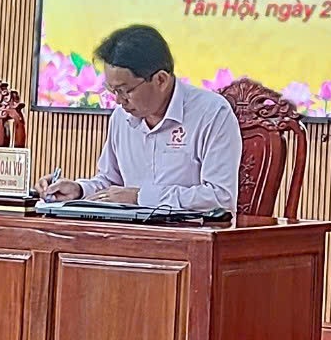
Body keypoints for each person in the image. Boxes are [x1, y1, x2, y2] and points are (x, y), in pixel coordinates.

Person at [43, 25, 242, 211]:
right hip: (129, 232)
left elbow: (220, 197)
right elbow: (111, 183)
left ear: (161, 80)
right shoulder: (121, 117)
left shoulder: (212, 113)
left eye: (125, 90)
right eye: (112, 90)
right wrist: (79, 190)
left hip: (188, 232)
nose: (119, 100)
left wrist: (141, 197)